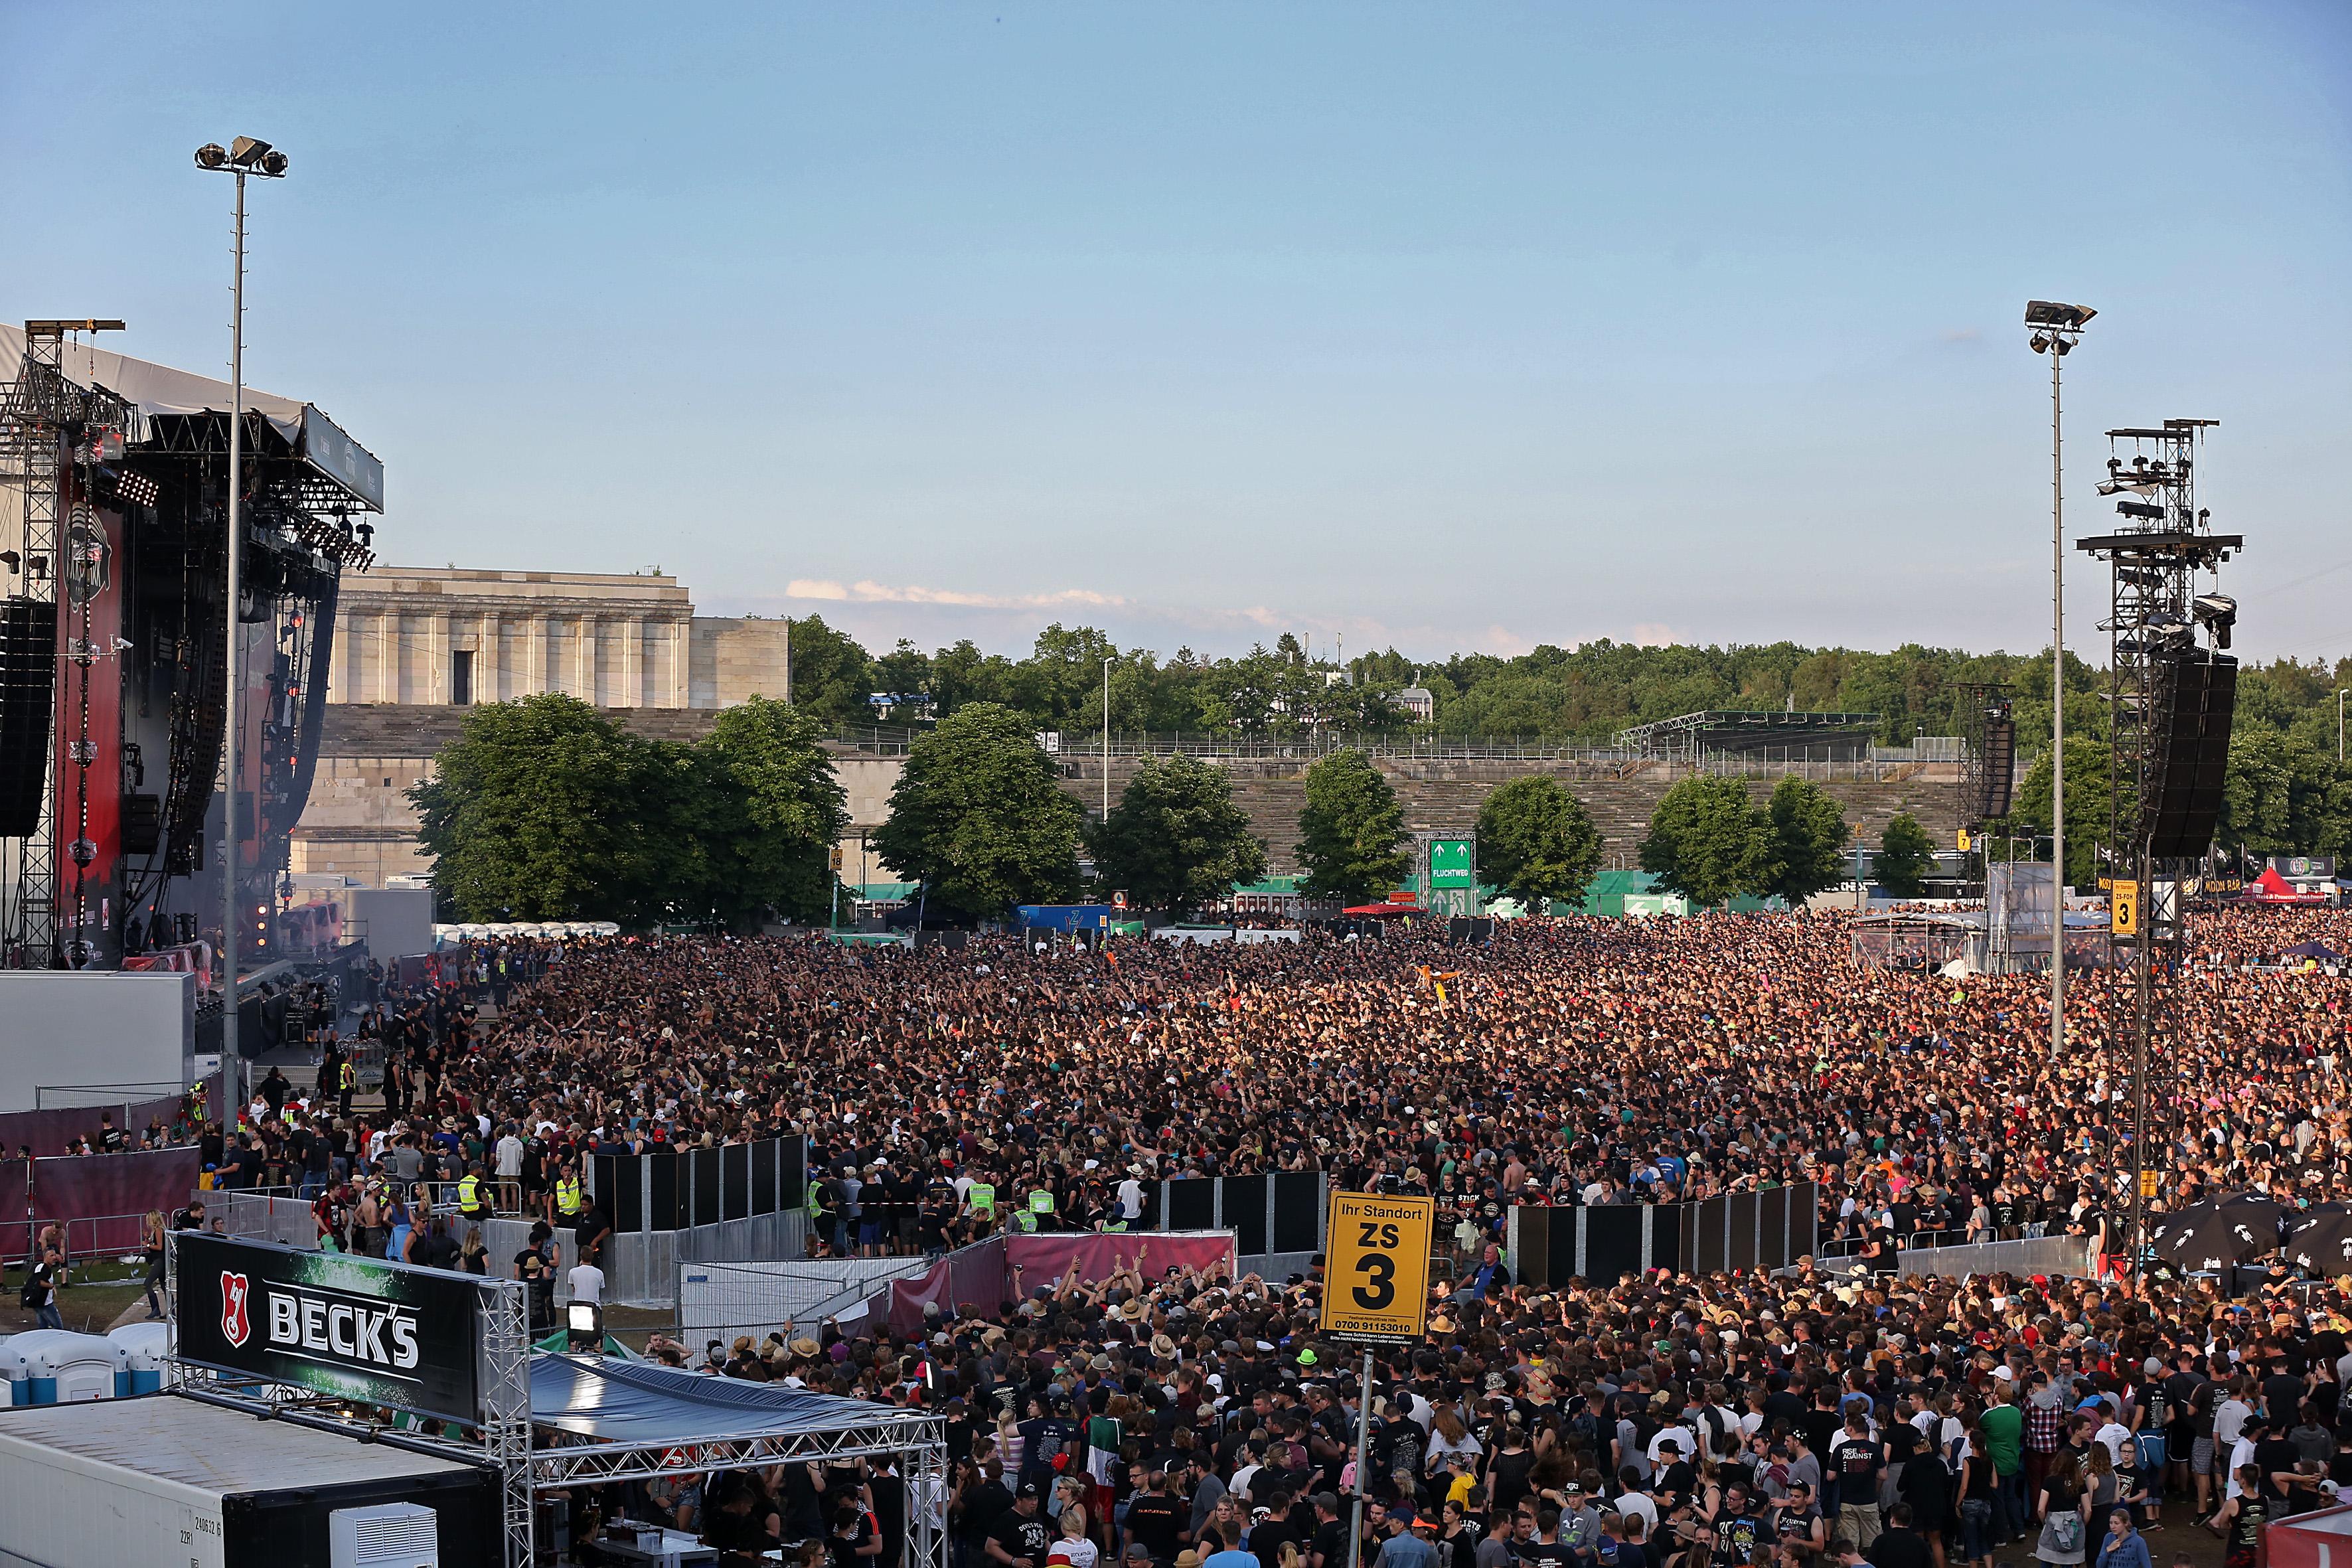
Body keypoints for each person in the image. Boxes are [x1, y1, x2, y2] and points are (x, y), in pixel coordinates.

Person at [139, 1210, 168, 1320]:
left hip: (160, 1261)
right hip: (160, 1260)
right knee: (164, 1286)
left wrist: (147, 1244)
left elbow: (159, 1247)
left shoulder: (158, 1230)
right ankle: (172, 1310)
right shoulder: (156, 1231)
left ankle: (156, 1308)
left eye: (148, 1219)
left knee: (147, 1284)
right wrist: (148, 1239)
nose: (147, 1222)